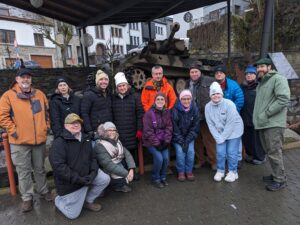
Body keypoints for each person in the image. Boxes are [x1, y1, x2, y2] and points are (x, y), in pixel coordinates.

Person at [0, 68, 52, 212]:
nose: (25, 80)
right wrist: (14, 131)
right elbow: (2, 117)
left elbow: (47, 113)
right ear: (17, 80)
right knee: (23, 171)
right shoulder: (8, 96)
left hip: (38, 141)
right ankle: (27, 198)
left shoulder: (40, 94)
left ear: (31, 80)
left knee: (40, 169)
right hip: (19, 142)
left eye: (28, 77)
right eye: (22, 77)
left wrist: (45, 127)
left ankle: (43, 190)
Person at [49, 113, 110, 219]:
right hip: (70, 183)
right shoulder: (59, 143)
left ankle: (87, 201)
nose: (75, 125)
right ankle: (57, 199)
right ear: (65, 125)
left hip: (86, 177)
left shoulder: (86, 139)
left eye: (77, 122)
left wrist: (92, 174)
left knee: (104, 179)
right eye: (72, 123)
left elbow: (93, 158)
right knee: (72, 215)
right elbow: (59, 168)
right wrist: (79, 180)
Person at [253, 58, 290, 191]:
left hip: (273, 123)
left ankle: (280, 180)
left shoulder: (278, 79)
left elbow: (284, 99)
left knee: (274, 151)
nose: (259, 69)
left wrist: (267, 113)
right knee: (270, 152)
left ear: (269, 67)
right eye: (257, 67)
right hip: (264, 123)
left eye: (262, 66)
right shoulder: (262, 82)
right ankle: (276, 174)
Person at [205, 82, 244, 182]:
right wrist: (217, 137)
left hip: (234, 130)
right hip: (219, 132)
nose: (216, 96)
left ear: (221, 94)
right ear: (210, 96)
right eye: (213, 94)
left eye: (218, 93)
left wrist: (222, 137)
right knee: (220, 152)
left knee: (231, 152)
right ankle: (220, 170)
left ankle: (233, 172)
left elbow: (231, 124)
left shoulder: (229, 104)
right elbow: (210, 124)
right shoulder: (207, 107)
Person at [185, 64, 216, 170]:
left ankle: (214, 161)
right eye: (192, 72)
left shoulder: (209, 81)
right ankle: (200, 160)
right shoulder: (187, 83)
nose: (194, 74)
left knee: (209, 139)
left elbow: (216, 95)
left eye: (196, 72)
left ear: (200, 72)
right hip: (193, 116)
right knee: (196, 140)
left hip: (205, 115)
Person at [111, 72, 144, 170]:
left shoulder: (135, 97)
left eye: (123, 85)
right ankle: (124, 173)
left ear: (127, 86)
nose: (122, 88)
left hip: (132, 131)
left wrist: (139, 129)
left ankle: (133, 171)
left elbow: (140, 113)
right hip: (119, 131)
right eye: (119, 86)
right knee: (120, 153)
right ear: (117, 88)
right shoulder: (113, 98)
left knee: (132, 152)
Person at [214, 65, 244, 168]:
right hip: (220, 118)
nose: (219, 74)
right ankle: (228, 159)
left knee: (235, 138)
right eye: (217, 73)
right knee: (224, 137)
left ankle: (238, 158)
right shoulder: (214, 86)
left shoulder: (233, 85)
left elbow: (240, 99)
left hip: (233, 116)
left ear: (225, 74)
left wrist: (232, 112)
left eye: (221, 72)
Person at [94, 122, 136, 193]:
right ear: (104, 131)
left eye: (114, 130)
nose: (112, 132)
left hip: (116, 163)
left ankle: (119, 184)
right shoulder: (99, 144)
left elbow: (127, 153)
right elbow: (108, 165)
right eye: (109, 130)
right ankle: (110, 186)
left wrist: (131, 168)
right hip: (106, 168)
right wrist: (127, 173)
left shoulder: (117, 141)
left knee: (124, 161)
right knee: (114, 171)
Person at [143, 92, 173, 188]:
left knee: (166, 158)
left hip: (163, 140)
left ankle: (163, 177)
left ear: (165, 101)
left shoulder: (167, 112)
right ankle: (155, 178)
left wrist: (167, 141)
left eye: (162, 99)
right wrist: (156, 144)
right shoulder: (149, 114)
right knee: (159, 158)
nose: (160, 101)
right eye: (158, 99)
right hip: (151, 141)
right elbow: (148, 131)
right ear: (154, 101)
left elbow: (169, 127)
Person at [171, 89, 200, 181]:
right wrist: (181, 141)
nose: (186, 101)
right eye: (184, 99)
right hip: (177, 137)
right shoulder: (175, 110)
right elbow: (174, 128)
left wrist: (187, 141)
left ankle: (189, 171)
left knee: (191, 152)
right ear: (180, 100)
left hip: (189, 137)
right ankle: (181, 172)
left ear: (191, 99)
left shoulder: (194, 109)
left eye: (188, 99)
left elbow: (195, 127)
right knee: (180, 153)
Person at [240, 66, 266, 165]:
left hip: (256, 117)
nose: (249, 75)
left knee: (257, 140)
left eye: (251, 74)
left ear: (255, 75)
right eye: (247, 74)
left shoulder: (260, 86)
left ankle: (260, 157)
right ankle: (250, 155)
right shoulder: (242, 86)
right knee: (247, 138)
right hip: (244, 116)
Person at [81, 69, 112, 139]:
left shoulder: (109, 94)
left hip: (108, 129)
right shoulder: (89, 95)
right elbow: (84, 113)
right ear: (97, 82)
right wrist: (89, 130)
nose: (104, 82)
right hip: (96, 131)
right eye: (101, 79)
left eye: (106, 79)